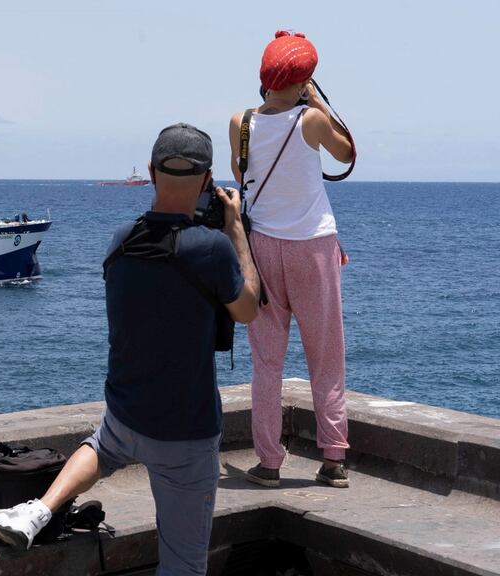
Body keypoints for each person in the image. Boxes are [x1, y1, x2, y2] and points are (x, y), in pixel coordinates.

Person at [0, 123, 260, 576]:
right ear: (208, 181)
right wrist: (237, 233)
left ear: (151, 172)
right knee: (184, 566)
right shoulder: (212, 248)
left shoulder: (122, 240)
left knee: (102, 445)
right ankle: (40, 510)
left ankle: (39, 510)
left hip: (127, 415)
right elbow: (247, 310)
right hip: (184, 434)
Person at [228, 31, 356, 489]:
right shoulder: (311, 121)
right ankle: (334, 457)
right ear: (304, 79)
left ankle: (269, 463)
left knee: (267, 361)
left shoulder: (240, 121)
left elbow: (242, 175)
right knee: (327, 358)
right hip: (313, 247)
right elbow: (347, 152)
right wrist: (316, 99)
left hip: (262, 248)